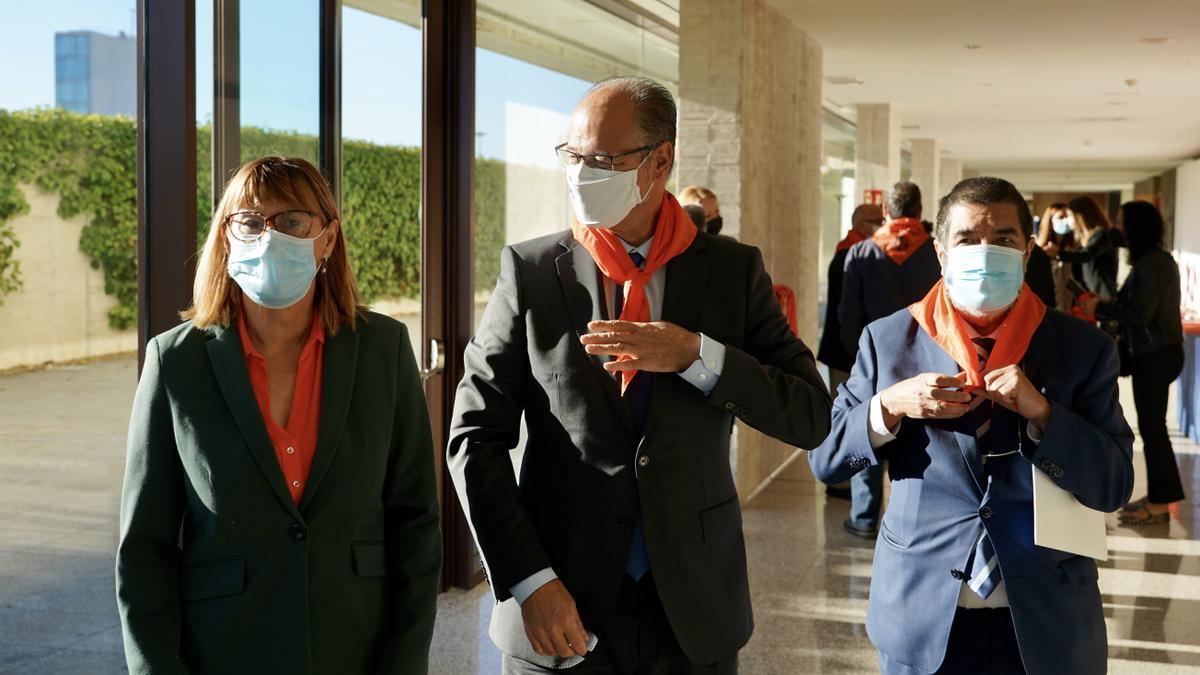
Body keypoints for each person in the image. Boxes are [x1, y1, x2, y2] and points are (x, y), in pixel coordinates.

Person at [447, 76, 832, 674]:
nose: (581, 172)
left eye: (601, 159)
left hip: (693, 612)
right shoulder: (529, 271)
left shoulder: (732, 271)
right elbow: (474, 439)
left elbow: (810, 415)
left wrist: (697, 356)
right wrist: (529, 581)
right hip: (556, 607)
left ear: (660, 161)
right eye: (572, 156)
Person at [116, 157, 441, 673]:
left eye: (292, 221)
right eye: (249, 221)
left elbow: (415, 522)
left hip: (354, 646)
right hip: (223, 651)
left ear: (328, 240)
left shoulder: (383, 349)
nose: (268, 237)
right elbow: (144, 549)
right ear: (226, 237)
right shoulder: (175, 360)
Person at [810, 176, 1134, 674]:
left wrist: (1045, 416)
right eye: (967, 240)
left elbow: (1114, 483)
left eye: (1003, 240)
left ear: (1027, 251)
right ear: (940, 252)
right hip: (922, 611)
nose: (986, 252)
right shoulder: (889, 340)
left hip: (1045, 620)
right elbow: (826, 458)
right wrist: (889, 405)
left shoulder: (1083, 349)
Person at [837, 181, 942, 538]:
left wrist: (859, 358)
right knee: (922, 440)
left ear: (886, 211)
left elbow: (848, 313)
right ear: (920, 211)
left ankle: (865, 518)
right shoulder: (936, 252)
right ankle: (917, 518)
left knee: (871, 426)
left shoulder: (862, 252)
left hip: (875, 360)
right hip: (928, 360)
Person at [1081, 201, 1184, 526]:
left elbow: (1141, 315)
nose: (1117, 229)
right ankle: (1160, 497)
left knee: (1154, 431)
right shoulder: (1151, 261)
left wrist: (1101, 308)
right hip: (1154, 353)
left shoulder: (1153, 263)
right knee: (1153, 430)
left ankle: (1160, 503)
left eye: (1122, 223)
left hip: (1156, 355)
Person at [817, 204, 883, 500]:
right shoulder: (852, 253)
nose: (882, 225)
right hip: (845, 352)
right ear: (861, 223)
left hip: (850, 350)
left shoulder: (854, 251)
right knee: (844, 417)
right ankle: (839, 482)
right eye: (876, 221)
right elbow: (849, 311)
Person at [1044, 196, 1121, 300]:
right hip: (1092, 295)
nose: (1068, 220)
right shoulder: (1087, 238)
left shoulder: (1101, 234)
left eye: (1070, 215)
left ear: (1080, 216)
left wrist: (1058, 253)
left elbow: (1085, 256)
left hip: (1102, 298)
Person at [1035, 203, 1078, 310]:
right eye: (1061, 217)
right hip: (1047, 304)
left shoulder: (1075, 248)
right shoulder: (1039, 249)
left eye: (1067, 217)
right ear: (1050, 221)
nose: (1065, 220)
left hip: (1070, 306)